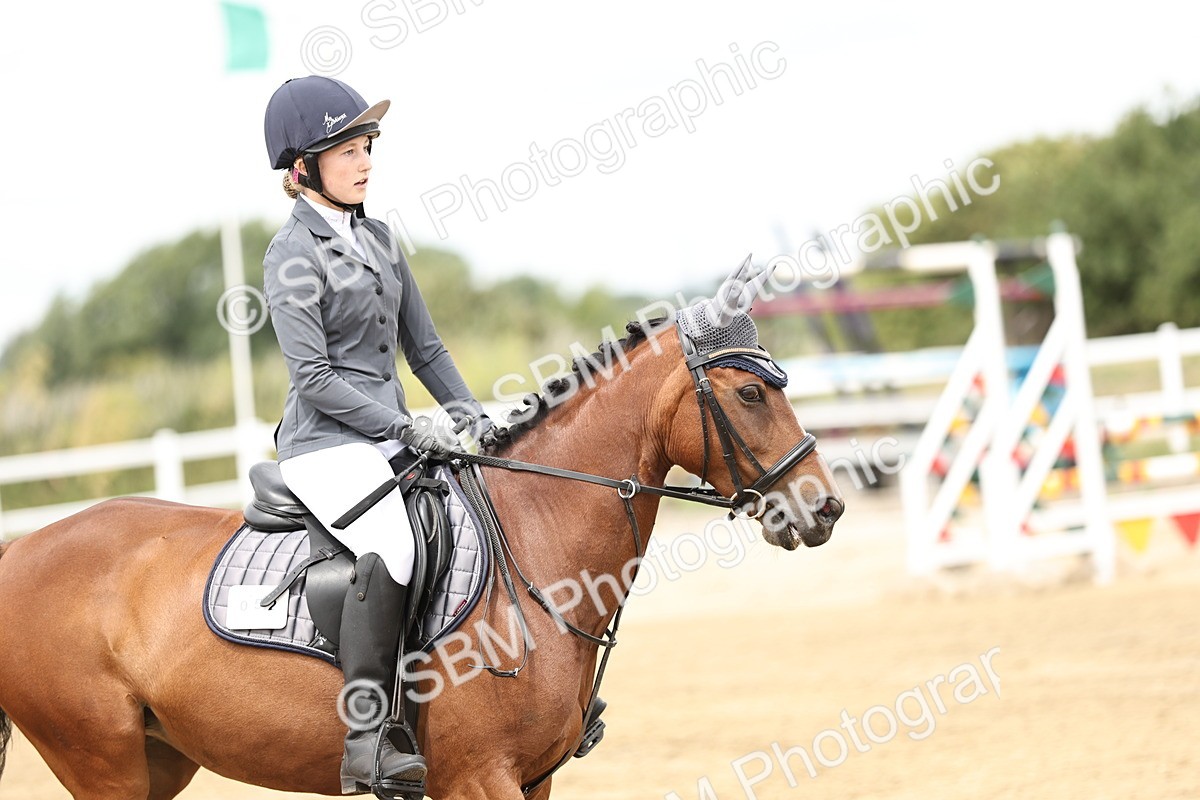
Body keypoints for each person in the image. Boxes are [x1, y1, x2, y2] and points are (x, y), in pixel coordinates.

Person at [261, 75, 491, 797]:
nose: (365, 163)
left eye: (367, 148)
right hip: (326, 444)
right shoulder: (290, 255)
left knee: (483, 509)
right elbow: (314, 378)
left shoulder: (382, 238)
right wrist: (405, 425)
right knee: (391, 542)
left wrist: (471, 413)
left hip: (391, 435)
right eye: (348, 151)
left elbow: (423, 349)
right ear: (303, 169)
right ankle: (368, 732)